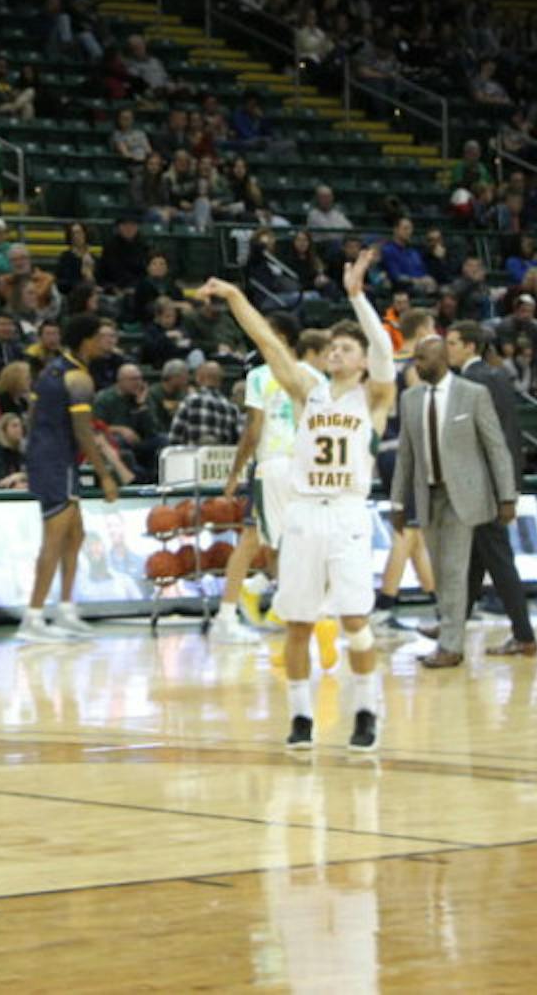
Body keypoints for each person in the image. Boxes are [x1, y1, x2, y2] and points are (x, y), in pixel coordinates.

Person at [199, 249, 392, 751]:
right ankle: (302, 717)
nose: (337, 354)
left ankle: (367, 710)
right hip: (304, 511)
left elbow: (386, 353)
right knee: (299, 622)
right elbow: (266, 341)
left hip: (348, 512)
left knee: (354, 621)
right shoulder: (309, 392)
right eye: (333, 348)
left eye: (348, 349)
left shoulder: (373, 398)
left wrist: (356, 297)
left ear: (363, 360)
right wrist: (237, 295)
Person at [390, 333, 520, 670]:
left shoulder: (473, 394)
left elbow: (496, 448)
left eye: (422, 359)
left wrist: (507, 496)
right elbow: (406, 455)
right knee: (441, 570)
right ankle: (449, 635)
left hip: (464, 494)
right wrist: (398, 503)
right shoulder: (410, 399)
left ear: (441, 359)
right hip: (427, 493)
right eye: (414, 359)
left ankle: (451, 645)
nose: (415, 365)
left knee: (454, 569)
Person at [212, 321, 328, 646]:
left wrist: (235, 472)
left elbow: (253, 429)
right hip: (301, 467)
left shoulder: (262, 376)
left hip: (279, 465)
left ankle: (250, 600)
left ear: (281, 339)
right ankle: (261, 603)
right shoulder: (315, 378)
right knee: (277, 539)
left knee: (266, 539)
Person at [14, 315, 120, 643]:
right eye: (102, 336)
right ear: (86, 341)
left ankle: (65, 609)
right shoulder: (78, 378)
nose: (108, 341)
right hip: (57, 460)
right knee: (55, 539)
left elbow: (32, 417)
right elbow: (83, 431)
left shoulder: (52, 369)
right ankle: (32, 618)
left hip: (51, 456)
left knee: (75, 536)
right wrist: (105, 475)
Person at [450, 321, 537, 656]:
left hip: (483, 485)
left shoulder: (469, 382)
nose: (449, 349)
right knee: (476, 561)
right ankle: (451, 627)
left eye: (454, 342)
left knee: (500, 563)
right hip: (498, 480)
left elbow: (479, 440)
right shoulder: (499, 376)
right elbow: (510, 435)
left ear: (470, 346)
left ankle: (525, 635)